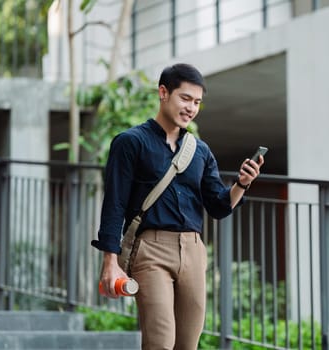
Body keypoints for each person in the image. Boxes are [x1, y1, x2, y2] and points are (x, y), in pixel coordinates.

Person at [91, 63, 264, 349]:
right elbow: (114, 204)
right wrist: (110, 263)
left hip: (194, 251)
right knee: (161, 340)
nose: (191, 108)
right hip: (151, 250)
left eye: (197, 102)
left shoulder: (200, 151)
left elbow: (220, 207)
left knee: (187, 344)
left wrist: (242, 184)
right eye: (185, 98)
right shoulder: (130, 142)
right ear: (163, 93)